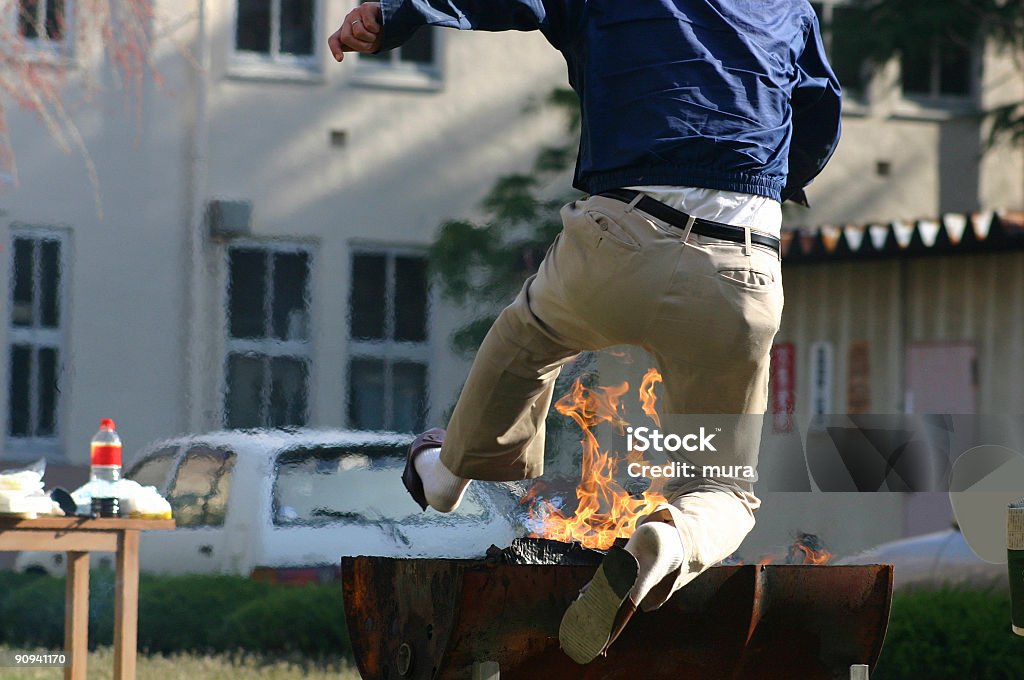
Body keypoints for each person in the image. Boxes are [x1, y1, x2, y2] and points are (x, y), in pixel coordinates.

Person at [329, 0, 841, 665]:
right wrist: (769, 176)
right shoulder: (787, 6)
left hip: (623, 233)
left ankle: (448, 472)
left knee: (532, 335)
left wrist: (395, 15)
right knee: (721, 488)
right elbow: (818, 119)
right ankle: (670, 539)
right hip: (741, 266)